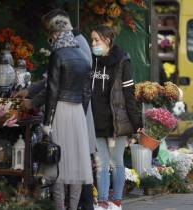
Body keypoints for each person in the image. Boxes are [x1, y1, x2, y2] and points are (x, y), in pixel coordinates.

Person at [41, 9, 93, 210]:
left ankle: (60, 207)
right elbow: (87, 92)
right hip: (78, 110)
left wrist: (47, 122)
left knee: (58, 164)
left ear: (55, 33)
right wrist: (81, 110)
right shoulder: (82, 55)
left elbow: (52, 91)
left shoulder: (57, 54)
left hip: (60, 110)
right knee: (78, 163)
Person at [90, 25, 141, 209]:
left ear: (108, 40)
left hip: (116, 123)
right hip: (95, 121)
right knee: (101, 163)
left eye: (96, 40)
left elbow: (129, 94)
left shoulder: (122, 62)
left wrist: (137, 124)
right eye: (92, 40)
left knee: (116, 162)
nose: (93, 44)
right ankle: (103, 202)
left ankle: (117, 201)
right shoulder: (91, 60)